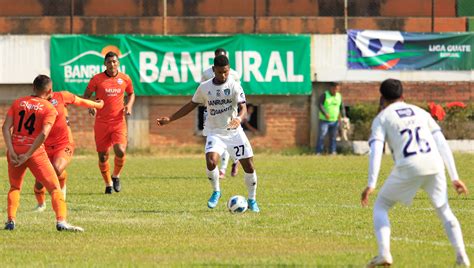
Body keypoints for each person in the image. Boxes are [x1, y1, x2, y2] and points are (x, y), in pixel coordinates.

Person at [360, 79, 470, 267]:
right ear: (403, 96)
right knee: (444, 210)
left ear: (382, 98)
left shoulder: (382, 118)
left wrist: (372, 183)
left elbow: (376, 150)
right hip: (435, 165)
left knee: (381, 205)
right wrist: (454, 176)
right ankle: (462, 256)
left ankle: (384, 253)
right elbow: (442, 143)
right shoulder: (421, 112)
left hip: (408, 166)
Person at [157, 55, 260, 212]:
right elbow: (191, 105)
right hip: (214, 132)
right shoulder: (204, 87)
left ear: (229, 70)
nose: (223, 75)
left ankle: (252, 200)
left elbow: (243, 107)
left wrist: (239, 118)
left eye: (226, 72)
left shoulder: (234, 85)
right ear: (213, 70)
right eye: (219, 72)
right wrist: (170, 118)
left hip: (234, 132)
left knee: (249, 166)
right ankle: (216, 191)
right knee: (211, 160)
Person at [2, 75, 83, 232]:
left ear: (33, 87)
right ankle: (61, 222)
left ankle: (11, 221)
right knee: (54, 188)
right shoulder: (49, 108)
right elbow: (44, 134)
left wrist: (11, 151)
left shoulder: (18, 102)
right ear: (50, 91)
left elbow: (5, 127)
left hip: (15, 150)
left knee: (15, 187)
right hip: (34, 152)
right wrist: (28, 154)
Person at [33, 91, 104, 211]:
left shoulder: (61, 96)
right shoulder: (33, 104)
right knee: (40, 181)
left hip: (64, 143)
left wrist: (97, 105)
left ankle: (61, 195)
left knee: (56, 168)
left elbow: (80, 101)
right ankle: (41, 204)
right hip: (44, 146)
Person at [83, 51, 135, 194]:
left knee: (120, 150)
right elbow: (86, 96)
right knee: (103, 155)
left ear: (118, 63)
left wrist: (128, 106)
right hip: (101, 123)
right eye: (109, 62)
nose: (112, 64)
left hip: (118, 121)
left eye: (114, 61)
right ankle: (108, 184)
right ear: (104, 64)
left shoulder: (125, 78)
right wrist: (91, 106)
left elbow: (131, 93)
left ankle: (116, 176)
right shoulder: (97, 79)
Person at [201, 48, 241, 179]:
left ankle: (224, 169)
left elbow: (239, 94)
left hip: (228, 112)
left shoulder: (234, 74)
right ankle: (232, 162)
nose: (223, 74)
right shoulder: (206, 73)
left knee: (227, 138)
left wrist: (239, 114)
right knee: (214, 141)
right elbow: (202, 90)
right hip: (212, 111)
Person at [316, 82, 346, 155]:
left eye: (337, 89)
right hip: (324, 120)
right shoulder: (325, 95)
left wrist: (344, 116)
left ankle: (333, 151)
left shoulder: (339, 96)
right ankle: (319, 152)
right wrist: (325, 113)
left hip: (335, 120)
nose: (336, 90)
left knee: (333, 137)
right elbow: (319, 105)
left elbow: (341, 107)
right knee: (322, 136)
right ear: (331, 88)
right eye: (334, 89)